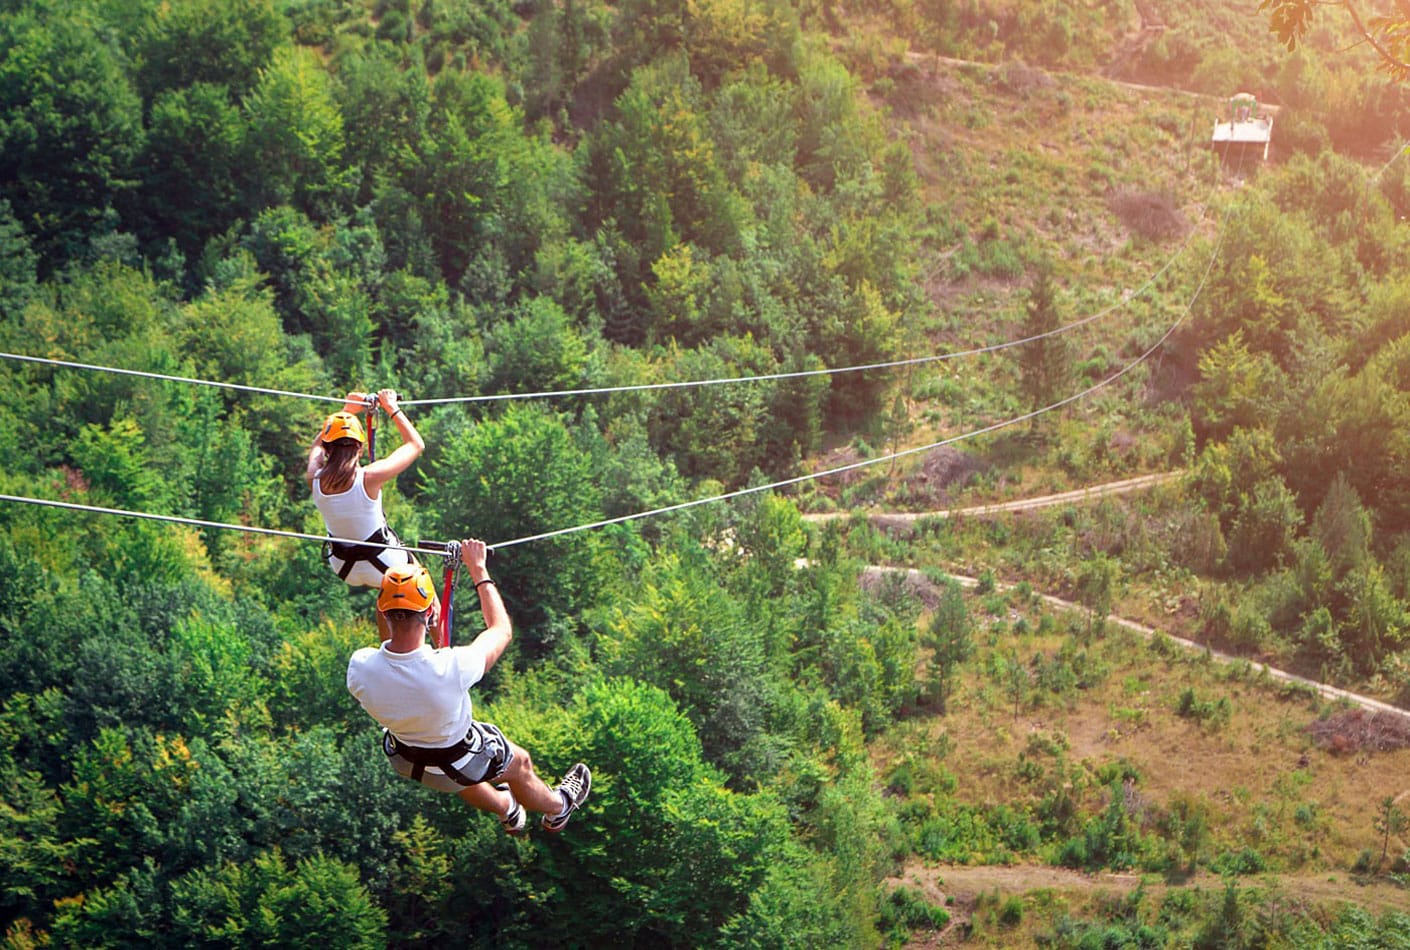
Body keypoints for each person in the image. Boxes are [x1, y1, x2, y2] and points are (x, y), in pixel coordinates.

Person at [346, 541, 591, 835]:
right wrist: (479, 569)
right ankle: (558, 808)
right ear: (430, 614)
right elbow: (501, 630)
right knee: (518, 762)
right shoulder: (453, 666)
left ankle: (506, 808)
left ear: (382, 611)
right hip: (459, 759)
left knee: (448, 767)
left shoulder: (359, 668)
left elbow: (389, 651)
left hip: (406, 758)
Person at [307, 388, 438, 639]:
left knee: (387, 591)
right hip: (385, 563)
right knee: (424, 590)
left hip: (343, 566)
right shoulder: (370, 477)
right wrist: (392, 408)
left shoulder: (314, 476)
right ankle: (443, 652)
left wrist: (346, 411)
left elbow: (316, 447)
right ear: (359, 448)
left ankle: (388, 653)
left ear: (328, 448)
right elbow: (416, 444)